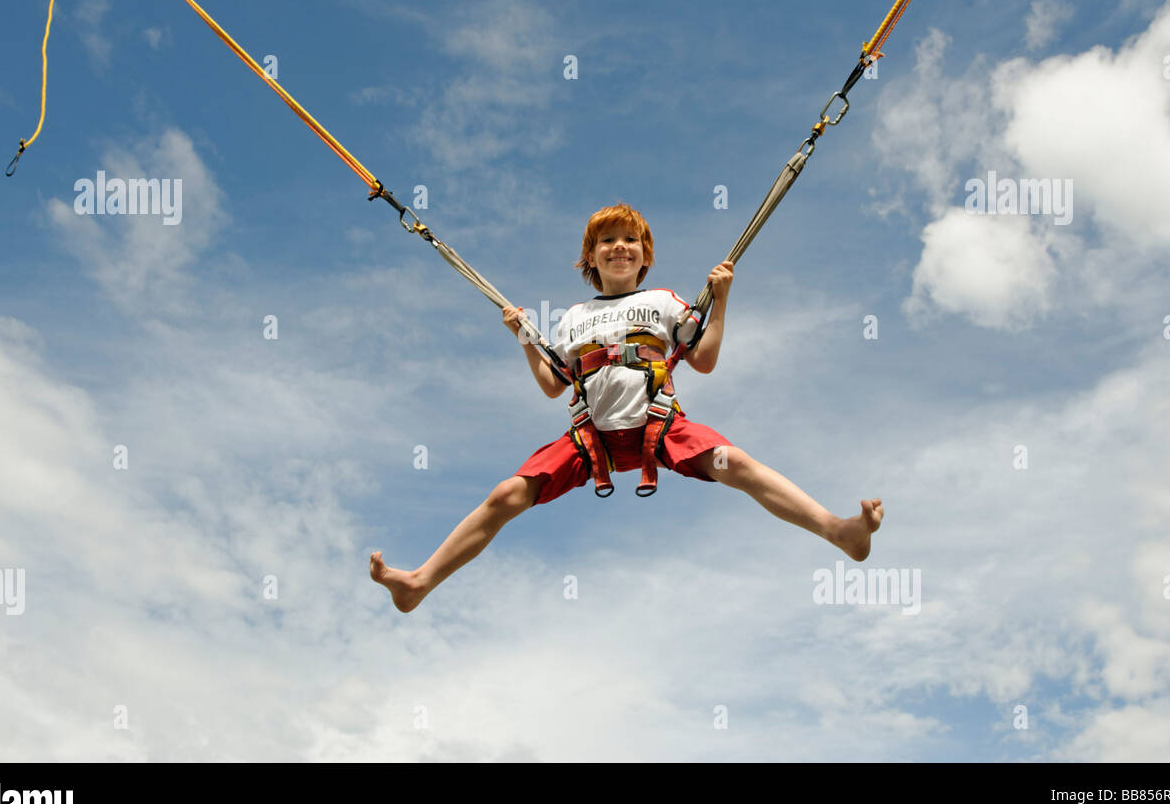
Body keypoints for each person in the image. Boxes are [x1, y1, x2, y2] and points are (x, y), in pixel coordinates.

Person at [371, 203, 882, 612]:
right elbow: (556, 384)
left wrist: (721, 300)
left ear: (645, 255)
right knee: (506, 495)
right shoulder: (573, 318)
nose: (620, 247)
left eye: (630, 240)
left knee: (737, 464)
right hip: (589, 439)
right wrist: (526, 339)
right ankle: (418, 582)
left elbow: (702, 360)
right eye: (606, 241)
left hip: (659, 427)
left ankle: (838, 531)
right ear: (589, 258)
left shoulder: (664, 302)